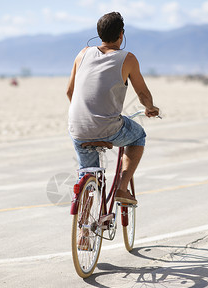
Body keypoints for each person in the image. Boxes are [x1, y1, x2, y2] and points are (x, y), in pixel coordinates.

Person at [66, 12, 159, 205]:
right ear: (121, 35)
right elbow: (142, 94)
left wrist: (86, 113)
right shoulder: (128, 58)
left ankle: (83, 230)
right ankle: (122, 188)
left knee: (87, 173)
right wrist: (150, 107)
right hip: (108, 128)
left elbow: (69, 92)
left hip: (77, 128)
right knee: (138, 135)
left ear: (99, 34)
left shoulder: (82, 54)